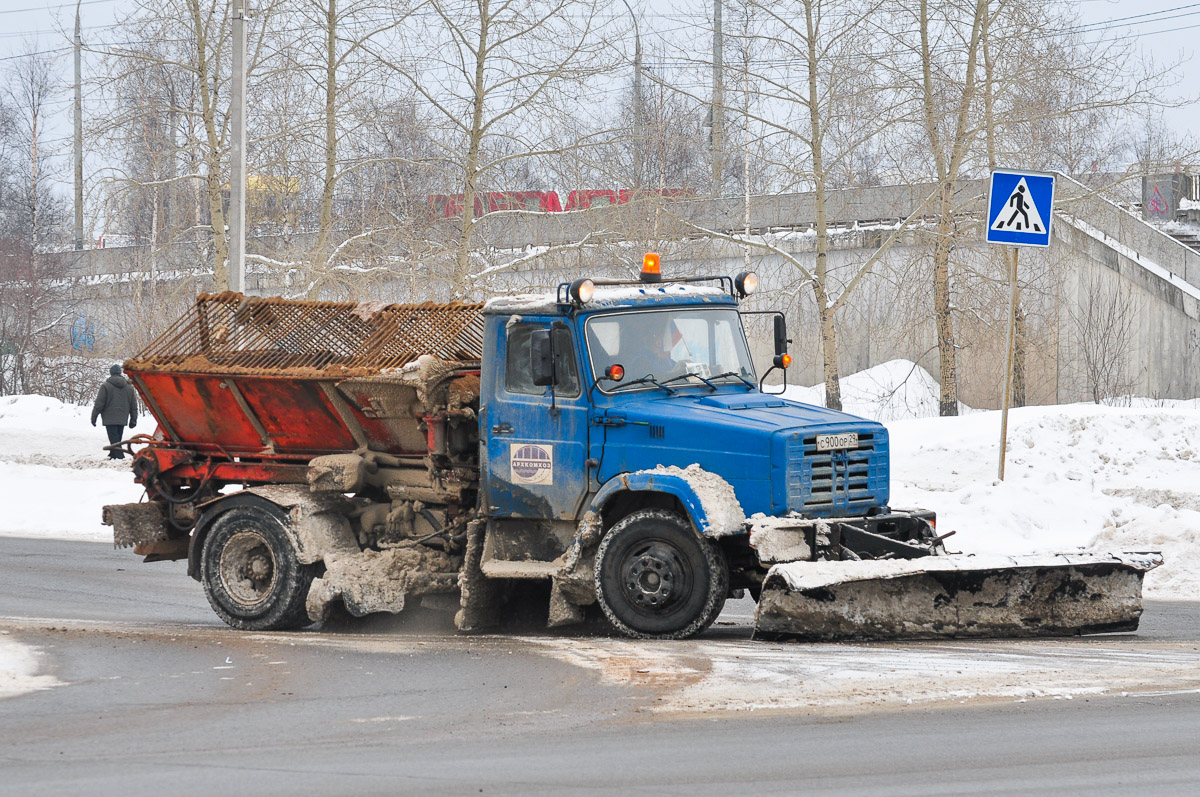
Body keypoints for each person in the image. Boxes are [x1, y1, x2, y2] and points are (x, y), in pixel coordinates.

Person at [92, 364, 138, 459]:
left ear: (111, 373)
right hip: (123, 417)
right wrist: (133, 419)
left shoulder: (105, 386)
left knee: (114, 437)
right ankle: (113, 454)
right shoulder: (129, 387)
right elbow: (133, 405)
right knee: (117, 437)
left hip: (109, 417)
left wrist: (94, 416)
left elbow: (99, 403)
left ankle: (119, 455)